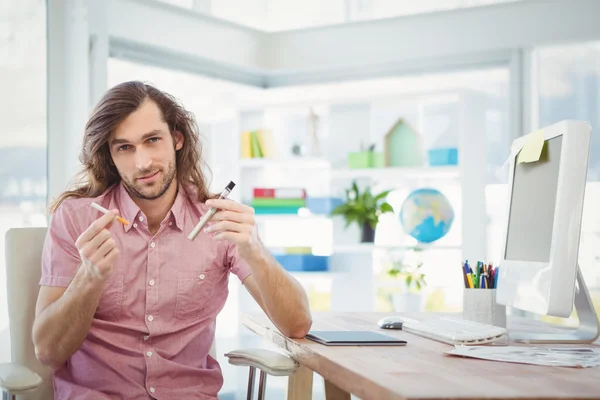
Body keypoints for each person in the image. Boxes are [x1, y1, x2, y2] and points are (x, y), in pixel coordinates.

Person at [32, 81, 313, 400]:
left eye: (152, 140)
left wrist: (256, 251)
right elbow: (48, 352)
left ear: (177, 139)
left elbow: (297, 325)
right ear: (109, 155)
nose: (143, 163)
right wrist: (89, 278)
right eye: (124, 147)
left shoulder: (218, 220)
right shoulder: (77, 219)